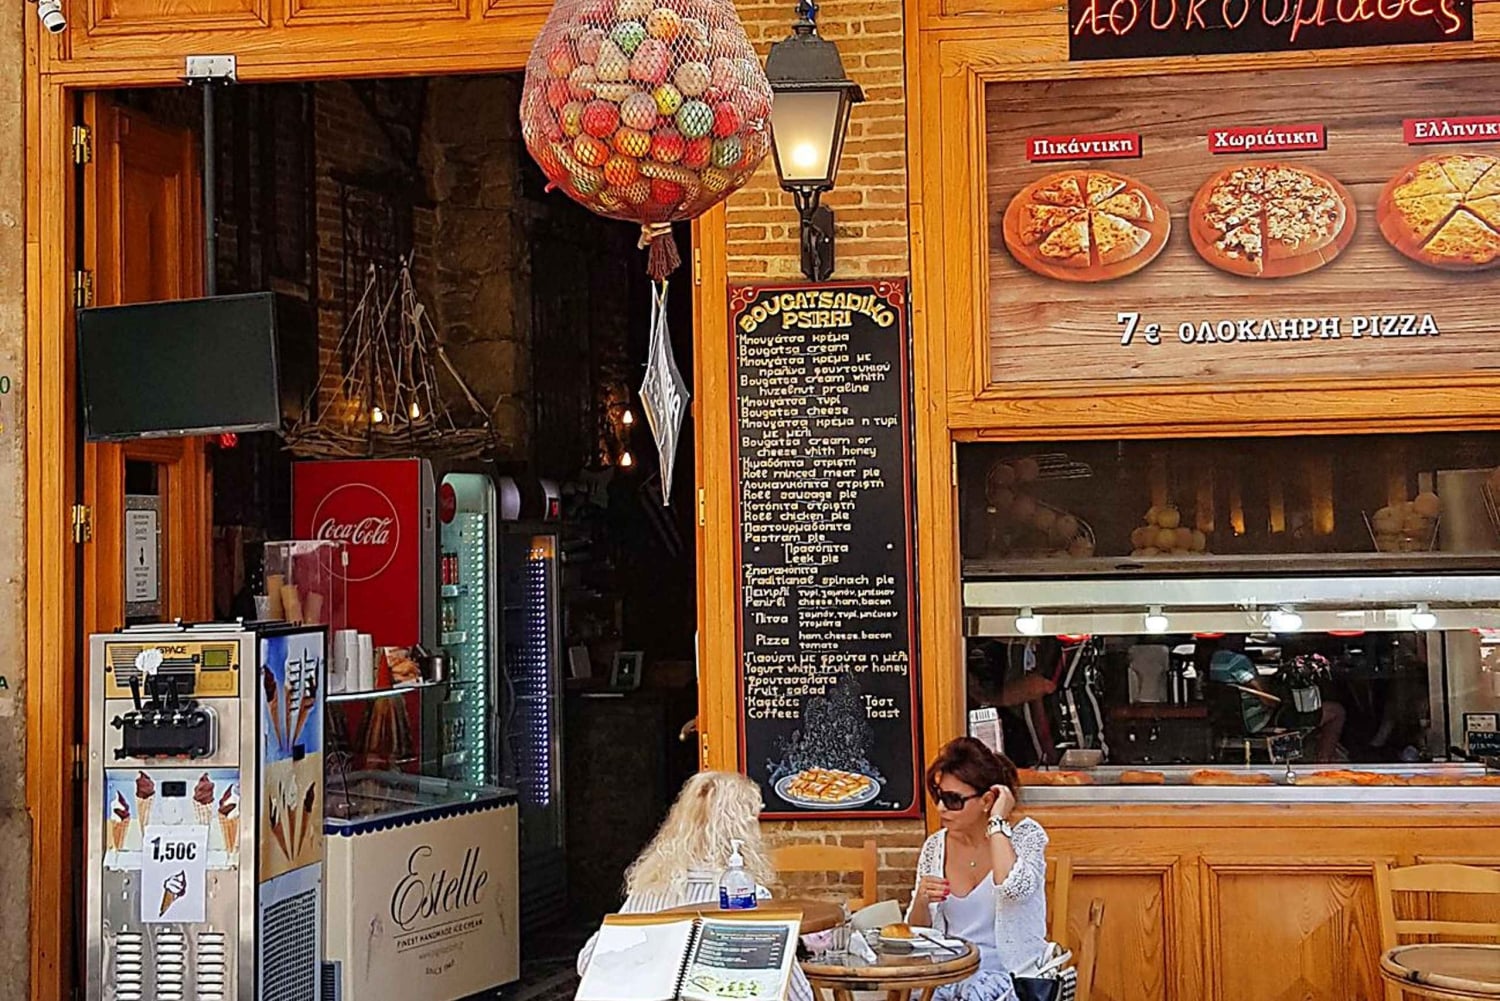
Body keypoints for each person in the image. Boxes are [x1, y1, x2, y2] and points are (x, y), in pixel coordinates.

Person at [577, 771, 815, 1001]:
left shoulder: (648, 888)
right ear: (744, 830)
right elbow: (795, 992)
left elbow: (588, 961)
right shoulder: (744, 895)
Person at [906, 737, 1049, 1001]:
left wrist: (997, 822)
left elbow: (1014, 889)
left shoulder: (1026, 837)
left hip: (1011, 981)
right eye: (938, 796)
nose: (940, 808)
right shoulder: (935, 847)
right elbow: (917, 934)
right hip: (950, 978)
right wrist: (922, 901)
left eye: (953, 800)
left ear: (986, 800)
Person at [1206, 635, 1346, 762]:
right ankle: (1323, 762)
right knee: (1336, 711)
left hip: (1233, 719)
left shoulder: (1215, 659)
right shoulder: (1236, 661)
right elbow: (1269, 701)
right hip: (1258, 719)